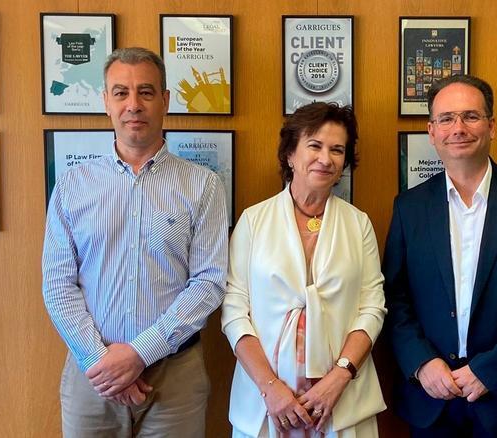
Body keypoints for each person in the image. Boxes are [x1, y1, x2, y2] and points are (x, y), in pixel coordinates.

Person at [42, 47, 228, 438]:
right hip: (91, 374)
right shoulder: (73, 185)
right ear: (106, 102)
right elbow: (58, 285)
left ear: (165, 100)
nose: (133, 105)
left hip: (175, 376)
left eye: (146, 92)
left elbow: (209, 282)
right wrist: (104, 362)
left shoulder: (203, 185)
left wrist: (140, 353)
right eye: (121, 93)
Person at [383, 75, 497, 437]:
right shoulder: (409, 207)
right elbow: (394, 297)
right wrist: (421, 363)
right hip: (431, 398)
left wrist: (489, 370)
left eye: (471, 116)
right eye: (446, 118)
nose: (458, 128)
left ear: (491, 126)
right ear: (432, 131)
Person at [221, 102, 387, 437]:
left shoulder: (358, 224)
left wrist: (338, 378)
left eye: (337, 150)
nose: (326, 159)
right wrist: (270, 388)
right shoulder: (253, 221)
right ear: (290, 155)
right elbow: (234, 311)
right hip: (266, 401)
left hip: (342, 399)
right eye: (315, 146)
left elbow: (372, 308)